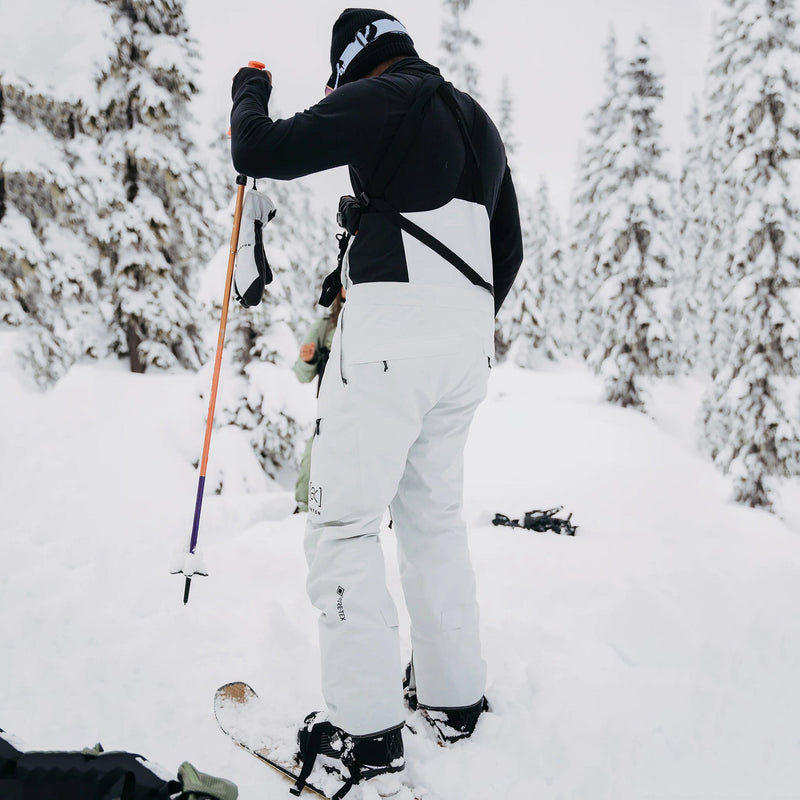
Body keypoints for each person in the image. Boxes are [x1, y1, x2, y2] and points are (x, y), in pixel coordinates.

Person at [230, 8, 522, 795]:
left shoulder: (384, 96)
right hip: (466, 343)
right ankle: (453, 700)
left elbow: (262, 149)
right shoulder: (477, 120)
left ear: (357, 61)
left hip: (395, 328)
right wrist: (456, 321)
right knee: (430, 519)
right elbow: (510, 249)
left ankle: (366, 739)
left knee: (342, 523)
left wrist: (247, 92)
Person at [292, 291, 344, 513]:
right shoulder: (324, 327)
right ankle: (305, 509)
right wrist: (307, 359)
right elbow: (302, 375)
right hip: (330, 406)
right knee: (314, 456)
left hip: (366, 405)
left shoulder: (376, 318)